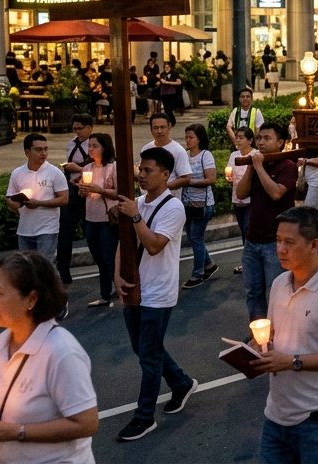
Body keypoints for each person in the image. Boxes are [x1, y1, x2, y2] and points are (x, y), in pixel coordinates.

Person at [0, 252, 98, 462]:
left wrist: (15, 432)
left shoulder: (62, 352)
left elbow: (86, 423)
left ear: (31, 298)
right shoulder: (1, 344)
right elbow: (11, 410)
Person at [249, 207, 318, 464]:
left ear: (314, 244)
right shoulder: (279, 284)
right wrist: (259, 346)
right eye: (278, 240)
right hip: (277, 415)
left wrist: (292, 362)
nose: (280, 249)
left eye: (289, 242)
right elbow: (274, 334)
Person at [114, 146, 198, 441]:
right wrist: (117, 275)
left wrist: (136, 217)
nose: (141, 175)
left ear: (165, 175)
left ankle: (144, 417)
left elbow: (153, 245)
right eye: (141, 169)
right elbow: (124, 243)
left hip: (158, 292)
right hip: (135, 288)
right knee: (142, 348)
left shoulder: (173, 208)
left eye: (148, 170)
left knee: (148, 355)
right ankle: (181, 383)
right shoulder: (137, 203)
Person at [237, 122, 302, 322]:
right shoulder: (257, 165)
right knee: (253, 292)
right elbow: (241, 193)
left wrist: (259, 167)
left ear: (280, 142)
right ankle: (260, 333)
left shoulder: (288, 166)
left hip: (276, 242)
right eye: (259, 138)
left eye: (267, 138)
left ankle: (279, 331)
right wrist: (251, 168)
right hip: (252, 239)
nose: (261, 143)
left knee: (276, 292)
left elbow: (276, 193)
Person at [6, 134, 69, 267]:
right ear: (27, 152)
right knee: (26, 267)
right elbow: (10, 198)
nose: (43, 153)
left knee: (44, 266)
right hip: (25, 229)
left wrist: (39, 203)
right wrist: (14, 204)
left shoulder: (54, 172)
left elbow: (64, 199)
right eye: (39, 150)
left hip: (48, 228)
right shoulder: (17, 173)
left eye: (46, 149)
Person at [74, 133, 120, 307]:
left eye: (95, 146)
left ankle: (121, 287)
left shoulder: (114, 167)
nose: (90, 149)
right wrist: (82, 191)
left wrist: (99, 190)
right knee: (98, 257)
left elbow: (120, 193)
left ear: (104, 147)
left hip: (108, 218)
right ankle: (105, 294)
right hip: (91, 217)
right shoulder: (87, 168)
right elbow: (84, 193)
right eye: (89, 146)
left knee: (109, 257)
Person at [181, 123, 220, 289]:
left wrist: (188, 182)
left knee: (196, 238)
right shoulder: (184, 155)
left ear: (199, 139)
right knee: (193, 237)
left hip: (202, 205)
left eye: (191, 137)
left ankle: (197, 274)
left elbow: (211, 179)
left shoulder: (206, 156)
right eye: (186, 137)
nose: (188, 140)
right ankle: (209, 264)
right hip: (186, 204)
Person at [57, 115, 94, 288]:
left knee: (91, 233)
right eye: (75, 129)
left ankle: (107, 270)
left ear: (89, 128)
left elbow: (99, 166)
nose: (77, 132)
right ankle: (64, 271)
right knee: (65, 231)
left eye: (80, 128)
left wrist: (79, 169)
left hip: (88, 190)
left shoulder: (94, 144)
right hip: (71, 189)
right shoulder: (71, 144)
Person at [229, 127, 257, 276]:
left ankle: (250, 262)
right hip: (237, 199)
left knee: (248, 231)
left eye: (241, 137)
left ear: (250, 140)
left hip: (251, 201)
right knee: (243, 232)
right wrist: (229, 177)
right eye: (237, 137)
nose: (238, 140)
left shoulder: (255, 155)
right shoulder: (234, 155)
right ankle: (247, 261)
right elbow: (230, 171)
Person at [156, 61, 183, 126]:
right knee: (166, 109)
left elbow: (179, 82)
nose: (166, 69)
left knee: (169, 108)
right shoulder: (162, 74)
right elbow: (161, 82)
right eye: (165, 67)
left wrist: (167, 82)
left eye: (168, 67)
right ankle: (170, 121)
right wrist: (159, 83)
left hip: (171, 93)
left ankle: (172, 121)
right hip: (164, 93)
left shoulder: (174, 73)